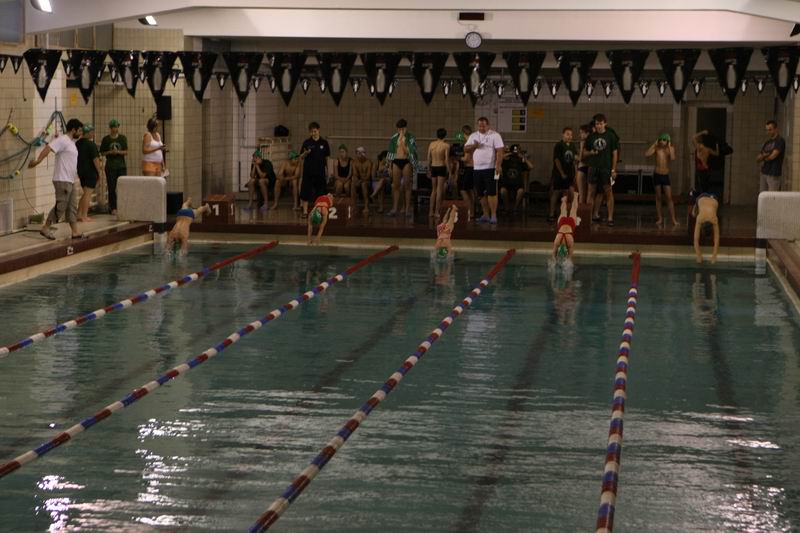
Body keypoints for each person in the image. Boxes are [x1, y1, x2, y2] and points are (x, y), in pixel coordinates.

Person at [28, 119, 85, 240]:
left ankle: (75, 232)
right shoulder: (63, 140)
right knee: (61, 206)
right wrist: (38, 161)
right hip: (62, 179)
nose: (81, 133)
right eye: (79, 131)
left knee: (72, 207)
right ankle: (45, 227)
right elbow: (48, 147)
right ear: (73, 130)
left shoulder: (71, 143)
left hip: (70, 180)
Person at [465, 117, 504, 224]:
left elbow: (500, 151)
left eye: (483, 126)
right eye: (479, 126)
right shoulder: (473, 136)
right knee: (480, 193)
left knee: (492, 192)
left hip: (490, 168)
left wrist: (498, 165)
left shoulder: (495, 135)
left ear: (488, 125)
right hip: (477, 168)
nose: (481, 128)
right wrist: (474, 145)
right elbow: (465, 149)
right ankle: (486, 214)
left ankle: (493, 215)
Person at [583, 114, 619, 226]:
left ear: (605, 124)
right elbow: (584, 153)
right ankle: (588, 218)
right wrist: (591, 152)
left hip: (606, 168)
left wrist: (613, 170)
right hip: (593, 167)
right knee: (591, 192)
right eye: (597, 124)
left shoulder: (610, 136)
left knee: (608, 192)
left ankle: (610, 218)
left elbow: (615, 153)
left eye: (600, 124)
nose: (598, 126)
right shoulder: (591, 137)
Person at [645, 133, 678, 227]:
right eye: (661, 140)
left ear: (667, 141)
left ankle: (673, 219)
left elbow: (673, 158)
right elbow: (646, 154)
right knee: (658, 197)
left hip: (665, 175)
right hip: (657, 175)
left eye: (664, 140)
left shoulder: (670, 149)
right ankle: (660, 218)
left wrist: (670, 147)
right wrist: (654, 144)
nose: (662, 142)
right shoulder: (656, 148)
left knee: (669, 198)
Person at [386, 118, 417, 218]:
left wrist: (403, 141)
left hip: (406, 161)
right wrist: (389, 167)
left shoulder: (410, 138)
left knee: (407, 186)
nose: (401, 131)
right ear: (397, 129)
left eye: (403, 129)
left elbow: (410, 152)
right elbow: (390, 152)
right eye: (399, 129)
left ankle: (407, 209)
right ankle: (395, 208)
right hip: (396, 161)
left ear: (406, 128)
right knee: (396, 186)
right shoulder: (394, 138)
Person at [299, 121, 331, 217]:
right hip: (308, 171)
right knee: (305, 191)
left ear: (319, 130)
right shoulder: (307, 142)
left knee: (320, 192)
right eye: (311, 132)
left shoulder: (324, 143)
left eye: (315, 131)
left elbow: (327, 158)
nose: (313, 133)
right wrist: (305, 153)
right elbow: (301, 157)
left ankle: (319, 212)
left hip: (320, 171)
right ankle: (305, 212)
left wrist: (328, 171)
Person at [99, 118, 127, 215]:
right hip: (110, 167)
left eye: (116, 127)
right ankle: (113, 207)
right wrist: (110, 152)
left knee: (122, 187)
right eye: (113, 127)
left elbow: (126, 151)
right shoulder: (106, 139)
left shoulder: (122, 138)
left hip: (121, 166)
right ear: (110, 128)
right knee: (111, 188)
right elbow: (102, 152)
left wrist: (118, 152)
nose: (115, 129)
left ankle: (122, 205)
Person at [549, 127, 577, 221]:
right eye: (567, 134)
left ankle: (564, 212)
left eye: (571, 135)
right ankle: (551, 213)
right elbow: (556, 160)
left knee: (567, 192)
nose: (570, 136)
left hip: (569, 173)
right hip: (559, 173)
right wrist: (561, 173)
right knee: (556, 192)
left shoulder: (572, 146)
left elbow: (575, 158)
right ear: (563, 135)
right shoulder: (559, 145)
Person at [76, 123, 102, 222]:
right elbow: (95, 159)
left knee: (85, 193)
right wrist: (99, 172)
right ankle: (84, 215)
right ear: (88, 132)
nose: (93, 134)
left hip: (81, 171)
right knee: (88, 194)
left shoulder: (77, 143)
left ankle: (79, 214)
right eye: (92, 132)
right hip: (90, 172)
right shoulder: (91, 144)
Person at [688, 189, 720, 264]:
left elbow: (695, 240)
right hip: (706, 198)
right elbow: (716, 240)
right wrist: (713, 256)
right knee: (694, 214)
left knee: (694, 213)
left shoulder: (708, 219)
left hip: (711, 198)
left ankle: (694, 195)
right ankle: (693, 195)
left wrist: (699, 256)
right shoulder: (712, 219)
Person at [501, 144, 532, 215]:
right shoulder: (505, 161)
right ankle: (507, 208)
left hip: (518, 184)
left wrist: (523, 157)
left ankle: (515, 208)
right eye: (515, 150)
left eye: (518, 150)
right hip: (507, 184)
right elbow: (498, 159)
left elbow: (531, 166)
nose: (516, 152)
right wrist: (510, 153)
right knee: (503, 191)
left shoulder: (521, 161)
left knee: (521, 191)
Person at [757, 120, 785, 192]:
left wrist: (764, 156)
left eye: (770, 130)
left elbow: (773, 156)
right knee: (762, 195)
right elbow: (758, 158)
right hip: (764, 172)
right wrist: (765, 155)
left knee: (772, 196)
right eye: (767, 130)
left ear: (776, 129)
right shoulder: (767, 142)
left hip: (774, 173)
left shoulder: (780, 141)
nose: (768, 132)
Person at [427, 128, 450, 218]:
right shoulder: (446, 145)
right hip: (441, 167)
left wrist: (428, 169)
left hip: (433, 167)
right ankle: (436, 212)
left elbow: (428, 158)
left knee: (434, 190)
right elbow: (446, 160)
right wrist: (449, 171)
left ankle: (430, 212)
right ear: (445, 135)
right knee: (439, 189)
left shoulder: (431, 144)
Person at [552, 195, 579, 261]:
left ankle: (575, 196)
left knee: (574, 209)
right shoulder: (557, 242)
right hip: (562, 226)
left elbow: (569, 259)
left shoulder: (568, 242)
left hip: (570, 227)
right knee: (563, 210)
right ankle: (565, 200)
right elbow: (553, 255)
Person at [693, 129, 719, 193]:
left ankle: (703, 197)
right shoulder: (708, 149)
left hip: (701, 170)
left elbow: (693, 137)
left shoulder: (699, 148)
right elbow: (717, 153)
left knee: (702, 187)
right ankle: (705, 196)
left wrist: (702, 132)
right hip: (706, 169)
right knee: (705, 187)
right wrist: (717, 144)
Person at [458, 125, 475, 211]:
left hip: (469, 168)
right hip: (473, 168)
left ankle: (468, 210)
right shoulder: (473, 142)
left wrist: (458, 158)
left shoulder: (468, 143)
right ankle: (472, 211)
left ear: (463, 133)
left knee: (463, 189)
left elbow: (466, 159)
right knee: (470, 190)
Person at [351, 146, 374, 214]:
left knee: (364, 184)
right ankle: (354, 206)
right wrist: (356, 180)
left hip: (368, 182)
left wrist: (360, 181)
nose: (360, 155)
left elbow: (368, 176)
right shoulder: (355, 162)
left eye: (362, 153)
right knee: (353, 184)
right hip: (359, 181)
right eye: (359, 153)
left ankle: (366, 206)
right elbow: (355, 174)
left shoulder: (368, 162)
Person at [575, 124, 592, 204]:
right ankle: (582, 211)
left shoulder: (588, 143)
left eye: (581, 133)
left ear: (587, 133)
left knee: (584, 195)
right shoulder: (585, 143)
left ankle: (584, 211)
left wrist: (581, 149)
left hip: (584, 168)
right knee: (584, 194)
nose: (580, 135)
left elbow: (581, 158)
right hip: (584, 168)